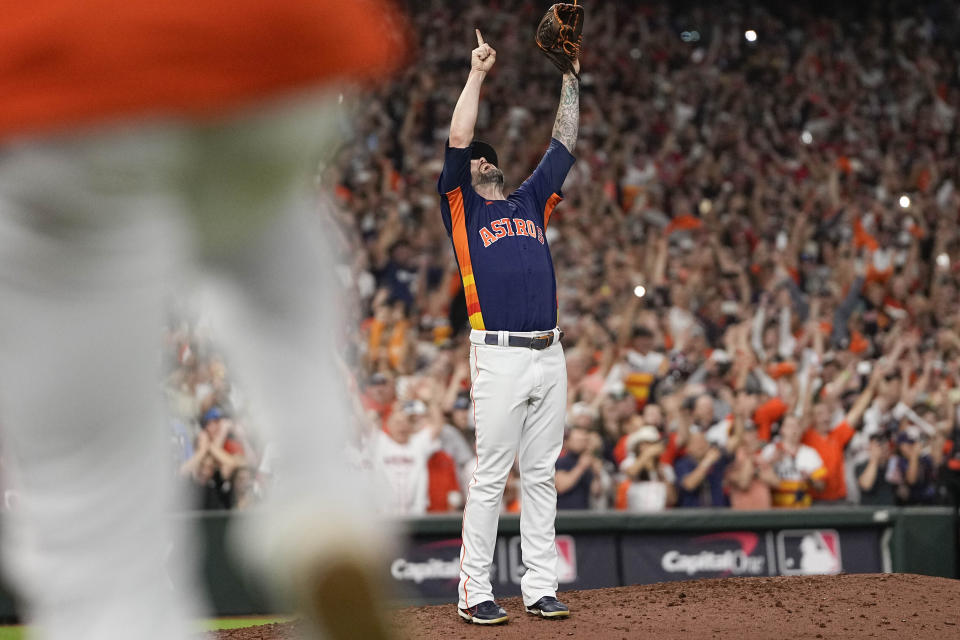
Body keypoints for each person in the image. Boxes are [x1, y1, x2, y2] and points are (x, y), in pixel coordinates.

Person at [0, 2, 407, 639]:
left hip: (67, 76)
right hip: (270, 46)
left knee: (91, 510)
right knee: (274, 258)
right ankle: (324, 507)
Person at [439, 29, 579, 624]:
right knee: (492, 474)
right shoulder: (462, 211)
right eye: (477, 159)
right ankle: (474, 591)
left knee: (542, 472)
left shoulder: (529, 202)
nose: (484, 160)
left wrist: (571, 75)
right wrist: (477, 75)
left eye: (490, 156)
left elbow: (564, 143)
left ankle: (540, 586)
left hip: (550, 352)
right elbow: (458, 137)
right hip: (495, 354)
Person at [761, 416, 828, 508]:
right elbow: (756, 479)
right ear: (782, 429)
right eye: (790, 426)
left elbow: (822, 487)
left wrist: (811, 479)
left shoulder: (810, 453)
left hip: (802, 510)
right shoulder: (770, 450)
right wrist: (771, 462)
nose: (794, 430)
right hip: (775, 509)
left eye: (797, 426)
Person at [555, 425, 604, 510]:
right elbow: (561, 487)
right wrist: (581, 467)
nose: (582, 443)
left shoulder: (589, 462)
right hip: (564, 512)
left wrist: (597, 474)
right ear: (567, 442)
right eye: (578, 440)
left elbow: (596, 492)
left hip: (584, 513)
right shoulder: (561, 461)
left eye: (584, 440)